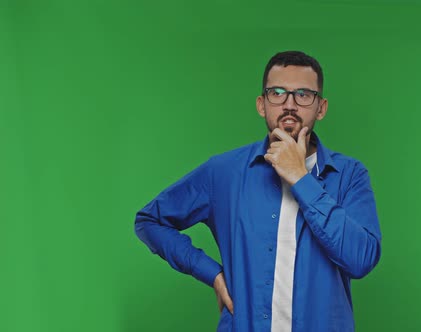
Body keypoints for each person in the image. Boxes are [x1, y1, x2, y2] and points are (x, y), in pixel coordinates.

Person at [134, 50, 382, 331]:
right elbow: (149, 221)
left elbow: (361, 260)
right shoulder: (224, 172)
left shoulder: (350, 175)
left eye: (303, 94)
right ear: (261, 104)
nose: (289, 105)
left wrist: (300, 177)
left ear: (321, 108)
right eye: (277, 93)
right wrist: (212, 274)